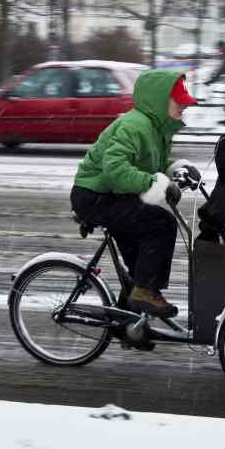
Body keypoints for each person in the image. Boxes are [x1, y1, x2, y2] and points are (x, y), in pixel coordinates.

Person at [70, 70, 200, 318]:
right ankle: (144, 292)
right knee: (161, 224)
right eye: (179, 101)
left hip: (113, 194)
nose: (184, 106)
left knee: (140, 258)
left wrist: (174, 171)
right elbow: (114, 169)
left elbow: (151, 165)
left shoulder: (157, 129)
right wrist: (154, 182)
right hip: (94, 195)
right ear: (159, 101)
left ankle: (128, 318)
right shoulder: (135, 124)